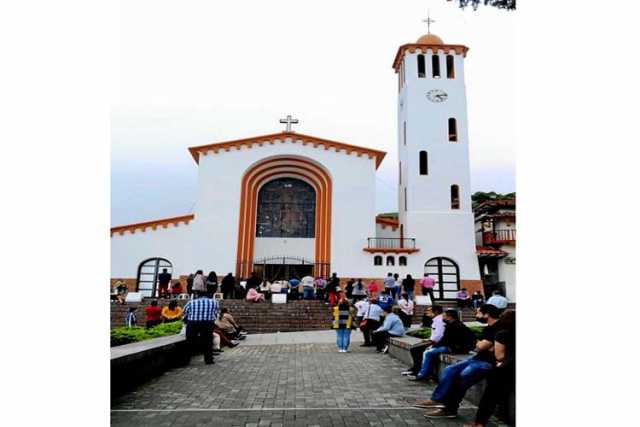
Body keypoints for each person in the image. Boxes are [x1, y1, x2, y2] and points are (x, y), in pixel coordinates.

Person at [418, 304, 502, 419]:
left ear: (487, 314)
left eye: (478, 313)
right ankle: (436, 399)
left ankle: (450, 408)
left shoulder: (499, 327)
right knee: (449, 369)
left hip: (488, 362)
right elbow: (480, 346)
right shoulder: (489, 328)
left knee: (463, 376)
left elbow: (481, 346)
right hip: (477, 358)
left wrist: (482, 344)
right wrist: (483, 345)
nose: (476, 315)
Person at [465, 310, 516, 427]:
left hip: (507, 368)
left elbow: (499, 356)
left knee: (490, 395)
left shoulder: (503, 333)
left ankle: (479, 423)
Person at [406, 309, 476, 382]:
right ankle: (428, 373)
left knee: (428, 353)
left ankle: (423, 375)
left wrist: (433, 346)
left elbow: (446, 340)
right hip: (454, 346)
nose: (443, 318)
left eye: (444, 316)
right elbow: (445, 340)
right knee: (428, 351)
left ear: (450, 317)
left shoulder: (455, 326)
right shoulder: (453, 324)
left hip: (456, 348)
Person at [182, 291, 219, 364]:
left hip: (193, 323)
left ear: (197, 295)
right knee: (208, 341)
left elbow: (184, 311)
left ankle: (186, 360)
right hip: (207, 323)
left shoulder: (191, 302)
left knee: (190, 341)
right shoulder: (214, 302)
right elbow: (215, 313)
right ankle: (208, 360)